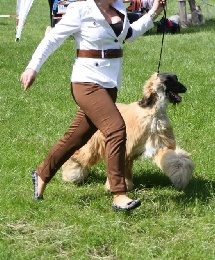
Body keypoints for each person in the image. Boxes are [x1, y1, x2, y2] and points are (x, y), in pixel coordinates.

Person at [20, 0, 166, 211]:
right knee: (116, 128)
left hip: (110, 84)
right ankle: (119, 194)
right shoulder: (80, 10)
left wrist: (154, 12)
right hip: (86, 82)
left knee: (75, 138)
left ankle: (42, 173)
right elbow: (53, 39)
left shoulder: (119, 8)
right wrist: (32, 67)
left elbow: (128, 34)